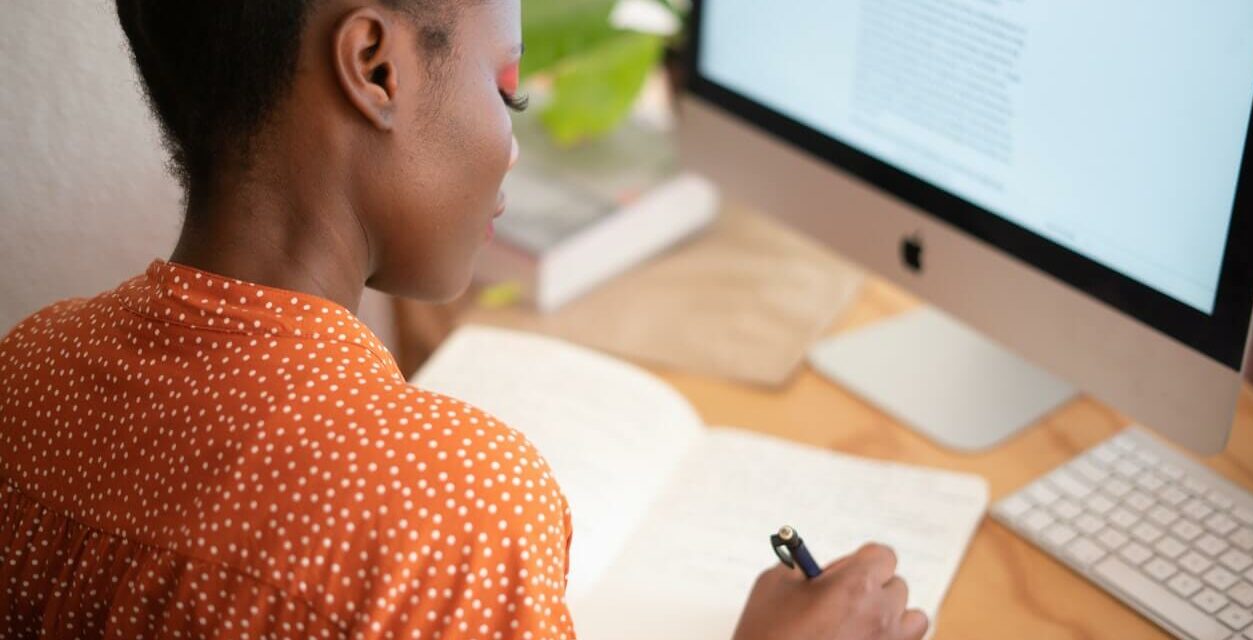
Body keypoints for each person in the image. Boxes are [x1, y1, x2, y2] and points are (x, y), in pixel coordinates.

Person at [0, 1, 929, 638]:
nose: (512, 143)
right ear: (376, 66)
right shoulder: (456, 512)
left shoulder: (27, 372)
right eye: (507, 88)